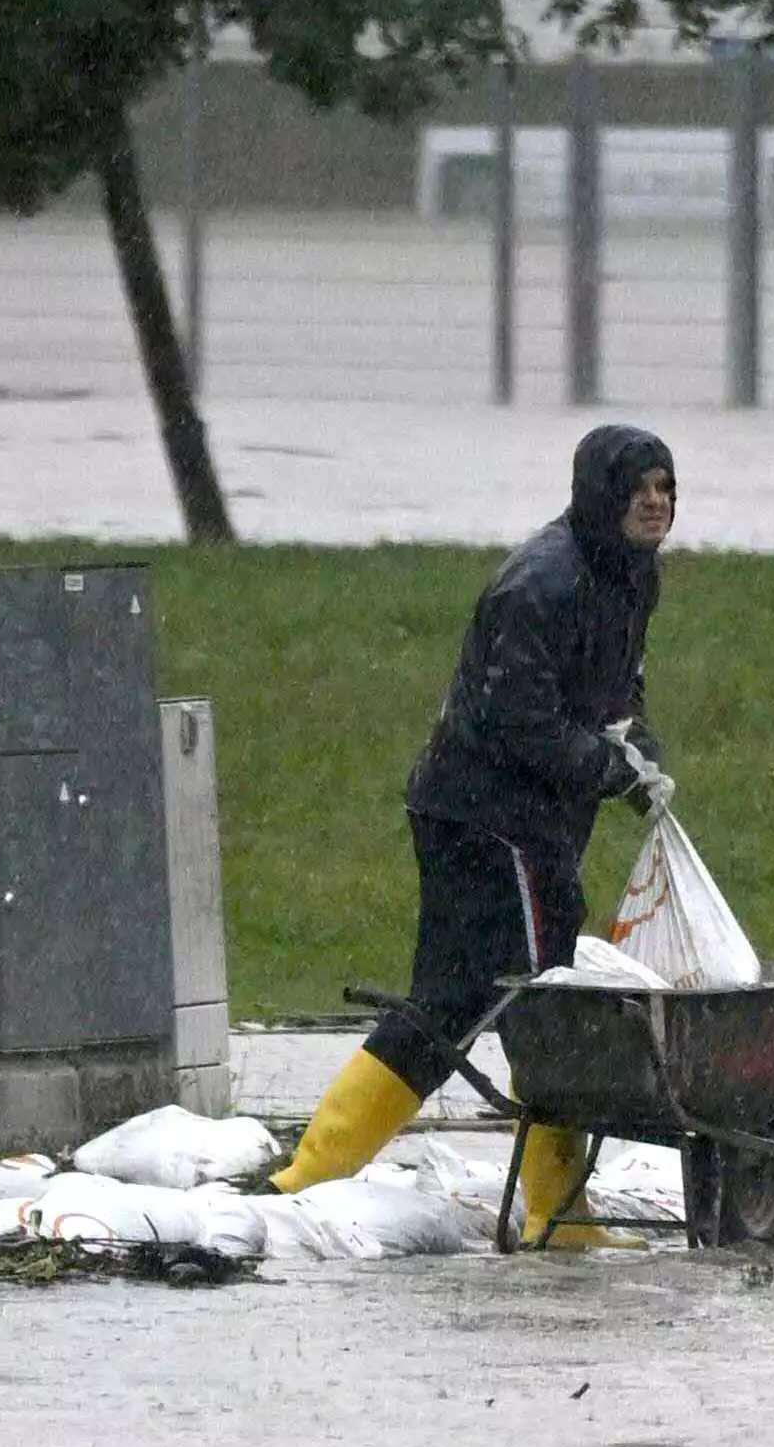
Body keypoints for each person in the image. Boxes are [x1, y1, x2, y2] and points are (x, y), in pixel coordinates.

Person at [275, 422, 681, 1236]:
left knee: (451, 1004)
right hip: (489, 818)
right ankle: (558, 1215)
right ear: (599, 495)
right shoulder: (540, 586)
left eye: (667, 488)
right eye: (639, 489)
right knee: (542, 1000)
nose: (655, 504)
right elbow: (515, 720)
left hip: (518, 816)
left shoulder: (633, 575)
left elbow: (608, 687)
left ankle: (309, 1177)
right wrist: (605, 768)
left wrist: (633, 743)